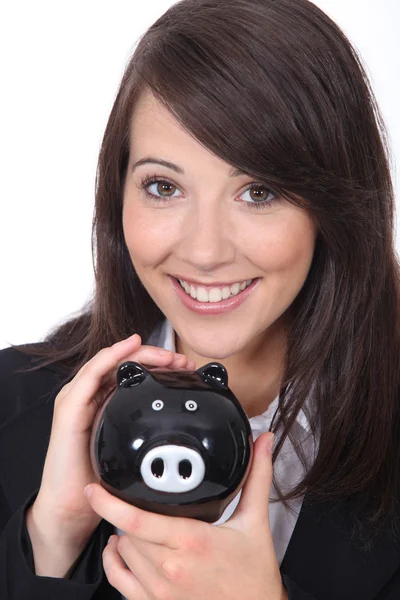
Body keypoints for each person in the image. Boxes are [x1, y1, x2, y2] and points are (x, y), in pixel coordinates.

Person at [1, 0, 399, 597]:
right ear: (119, 195)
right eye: (164, 187)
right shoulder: (13, 400)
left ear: (335, 207)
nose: (206, 251)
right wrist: (51, 541)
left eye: (259, 191)